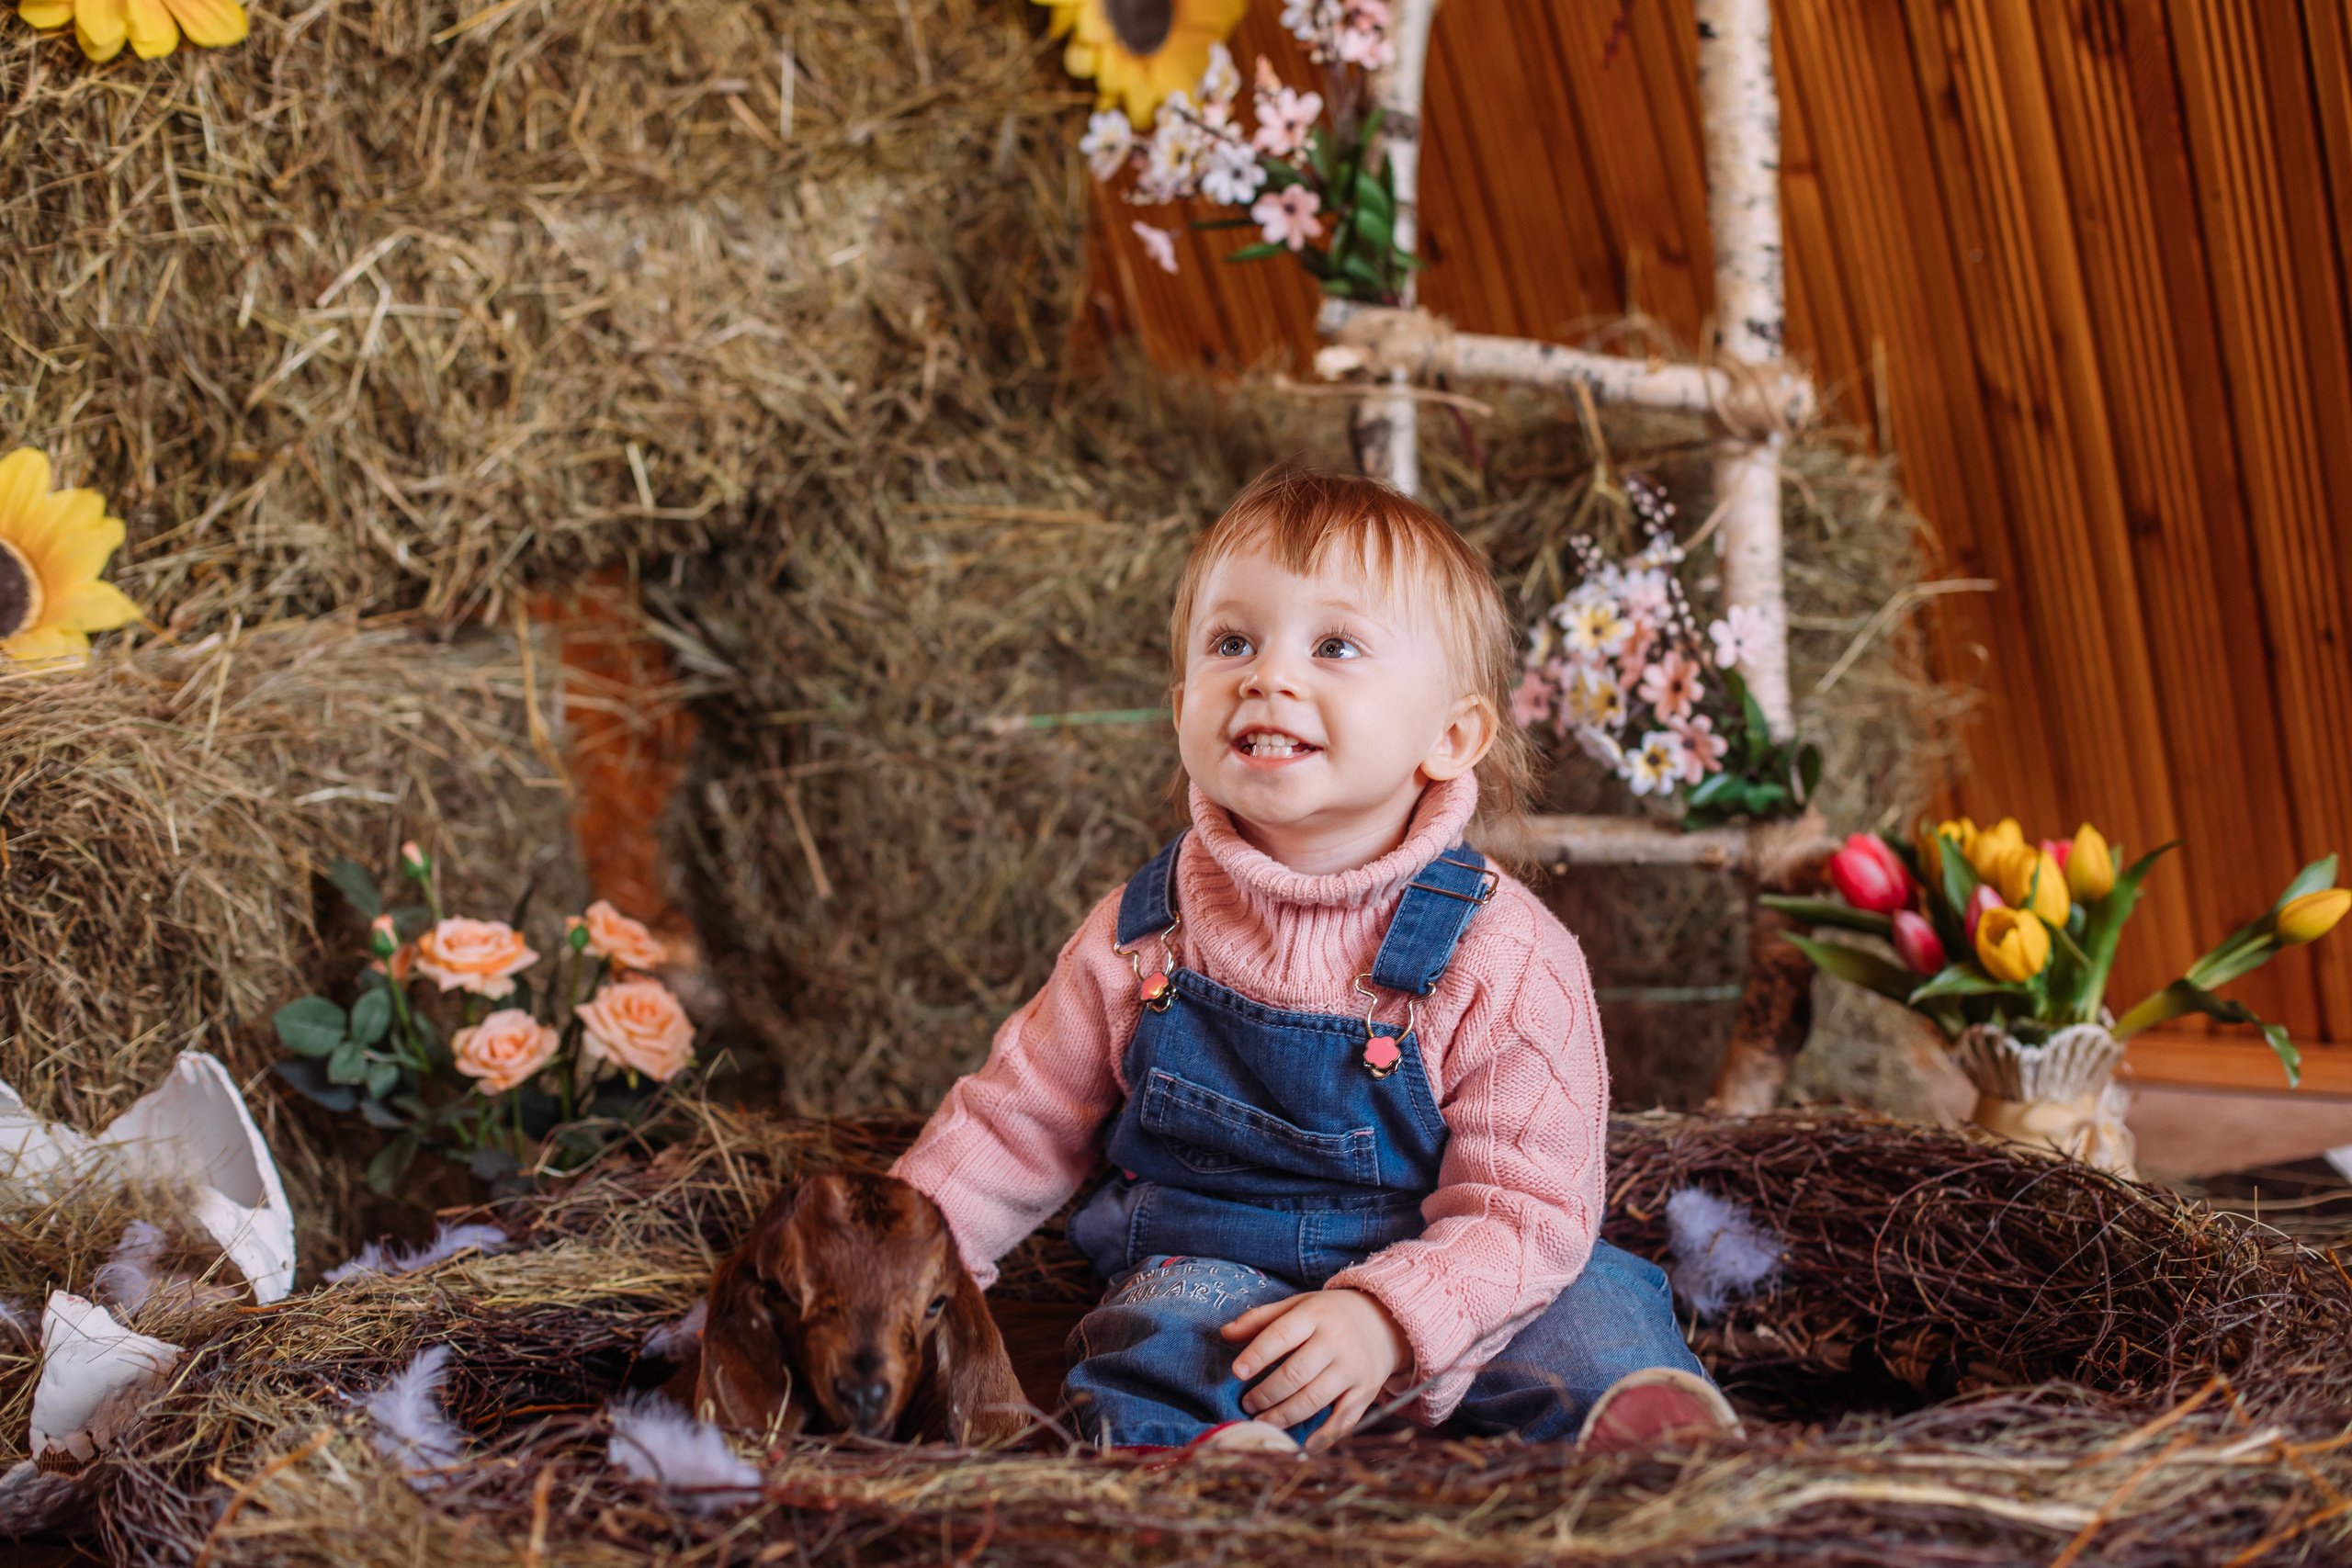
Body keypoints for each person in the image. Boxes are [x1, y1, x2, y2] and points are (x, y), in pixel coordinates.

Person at [892, 467, 1735, 1455]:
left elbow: (1528, 1209)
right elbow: (1015, 1119)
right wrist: (901, 1260)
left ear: (1450, 736)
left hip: (1451, 1267)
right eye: (1231, 643)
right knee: (1161, 1337)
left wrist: (1386, 1316)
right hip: (1213, 1273)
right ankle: (1217, 1463)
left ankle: (1649, 1450)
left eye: (1333, 646)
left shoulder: (1505, 954)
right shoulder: (1142, 931)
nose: (1266, 675)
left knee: (1590, 1310)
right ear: (1180, 706)